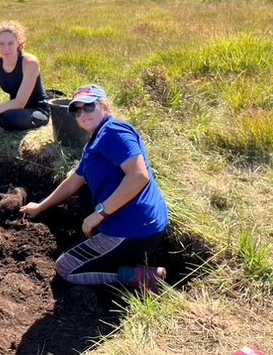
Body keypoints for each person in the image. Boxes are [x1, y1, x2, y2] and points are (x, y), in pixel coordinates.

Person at [20, 85, 170, 291]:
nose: (82, 114)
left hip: (135, 230)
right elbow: (75, 181)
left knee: (66, 268)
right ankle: (110, 251)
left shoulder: (113, 132)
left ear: (105, 107)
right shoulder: (95, 141)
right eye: (77, 110)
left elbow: (139, 176)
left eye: (89, 107)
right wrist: (41, 207)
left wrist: (99, 214)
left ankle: (141, 277)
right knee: (82, 191)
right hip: (141, 222)